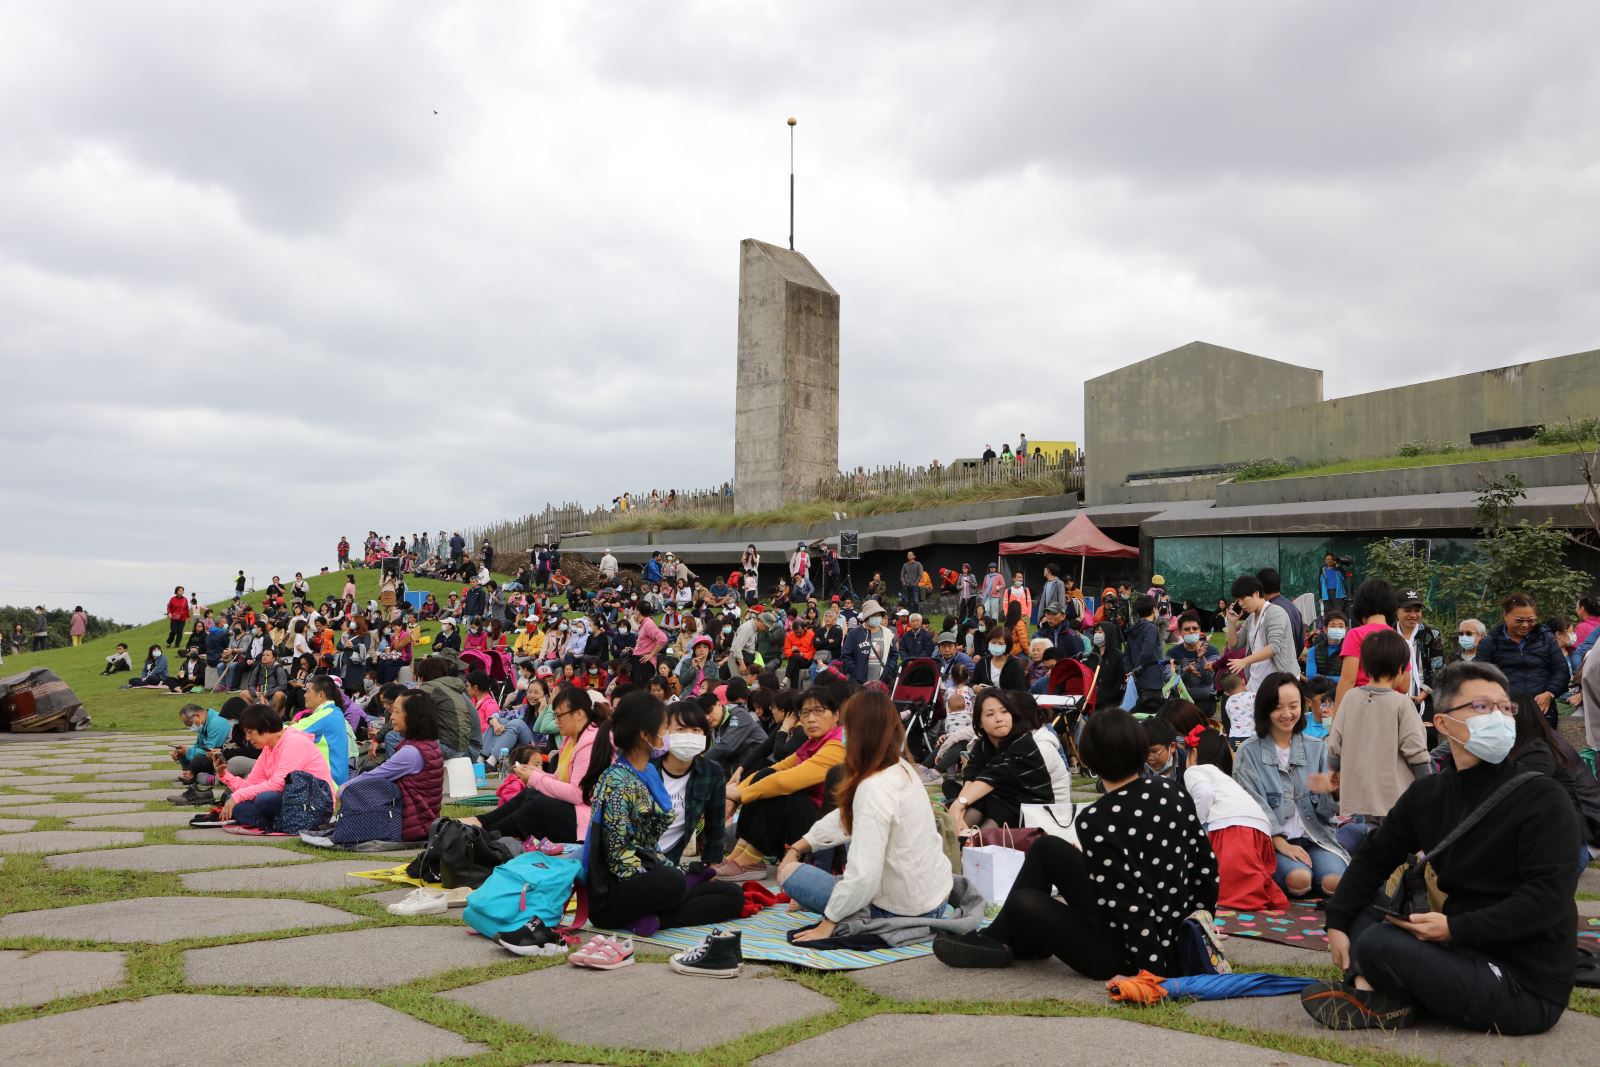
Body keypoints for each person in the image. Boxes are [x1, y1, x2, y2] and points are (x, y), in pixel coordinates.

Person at [1304, 661, 1578, 1035]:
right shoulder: (1430, 794)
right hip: (1462, 951)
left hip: (1523, 984)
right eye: (1482, 707)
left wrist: (1454, 929)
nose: (1498, 717)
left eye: (1504, 707)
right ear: (1444, 723)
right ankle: (1377, 989)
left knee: (1379, 942)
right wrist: (1336, 922)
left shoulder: (1544, 798)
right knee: (1361, 909)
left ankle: (1375, 990)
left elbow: (1548, 898)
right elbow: (1373, 858)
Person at [933, 707, 1217, 977]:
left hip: (1125, 953)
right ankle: (1007, 940)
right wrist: (1201, 928)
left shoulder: (1096, 818)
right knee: (1048, 847)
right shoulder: (1172, 791)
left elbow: (1124, 900)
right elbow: (1206, 866)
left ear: (1089, 759)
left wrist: (1151, 968)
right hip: (1176, 929)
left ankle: (1004, 939)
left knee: (1025, 902)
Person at [566, 691, 743, 950]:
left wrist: (684, 872)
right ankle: (648, 909)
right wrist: (669, 876)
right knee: (671, 882)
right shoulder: (618, 781)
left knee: (731, 895)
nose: (669, 737)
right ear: (646, 735)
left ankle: (655, 919)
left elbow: (650, 849)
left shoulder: (646, 771)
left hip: (648, 879)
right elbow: (619, 857)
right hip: (612, 894)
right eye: (665, 729)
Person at [779, 689, 954, 939]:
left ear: (861, 733)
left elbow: (865, 876)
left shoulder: (873, 787)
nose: (843, 736)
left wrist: (830, 922)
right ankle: (842, 895)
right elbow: (846, 817)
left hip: (903, 912)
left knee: (789, 875)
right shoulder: (901, 767)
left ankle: (845, 904)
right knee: (853, 849)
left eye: (846, 728)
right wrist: (799, 846)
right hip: (935, 899)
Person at [1233, 673, 1347, 898]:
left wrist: (1334, 792)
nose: (1287, 714)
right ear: (1265, 709)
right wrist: (1280, 843)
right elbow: (1253, 807)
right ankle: (1300, 875)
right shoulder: (1249, 752)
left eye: (1293, 706)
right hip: (1274, 843)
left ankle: (1317, 874)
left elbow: (1327, 812)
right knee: (1299, 880)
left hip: (1316, 837)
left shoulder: (1317, 748)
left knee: (1335, 883)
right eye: (1278, 708)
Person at [716, 684, 845, 879]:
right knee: (765, 775)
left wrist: (740, 795)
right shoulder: (813, 743)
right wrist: (735, 795)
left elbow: (788, 780)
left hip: (826, 834)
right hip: (806, 821)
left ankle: (752, 858)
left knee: (785, 792)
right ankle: (741, 852)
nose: (811, 718)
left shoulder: (838, 745)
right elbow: (776, 768)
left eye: (819, 711)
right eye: (805, 712)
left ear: (836, 715)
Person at [1324, 629, 1431, 852]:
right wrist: (1427, 789)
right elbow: (1417, 753)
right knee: (1395, 852)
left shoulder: (1351, 698)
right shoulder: (1402, 703)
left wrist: (1335, 772)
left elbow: (1334, 746)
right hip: (1394, 798)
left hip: (1357, 797)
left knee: (1367, 849)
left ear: (1365, 666)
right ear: (1401, 669)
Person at [462, 685, 601, 844]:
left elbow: (577, 793)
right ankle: (481, 822)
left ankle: (481, 836)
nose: (556, 721)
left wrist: (535, 777)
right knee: (530, 794)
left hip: (586, 821)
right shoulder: (572, 738)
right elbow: (559, 779)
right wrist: (536, 773)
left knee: (537, 805)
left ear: (579, 714)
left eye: (559, 716)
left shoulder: (589, 743)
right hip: (576, 810)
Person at [1184, 724, 1287, 910]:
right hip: (1261, 826)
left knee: (1231, 876)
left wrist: (1196, 822)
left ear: (1194, 754)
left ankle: (1245, 900)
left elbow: (1204, 794)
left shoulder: (1194, 771)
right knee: (1254, 870)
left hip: (1233, 825)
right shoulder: (1223, 777)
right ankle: (1270, 897)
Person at [337, 689, 442, 844]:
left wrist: (343, 789)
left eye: (397, 712)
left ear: (414, 716)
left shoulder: (411, 753)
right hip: (424, 823)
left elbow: (374, 776)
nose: (391, 717)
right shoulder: (429, 744)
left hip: (409, 828)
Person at [214, 702, 337, 830]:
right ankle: (273, 822)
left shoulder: (294, 742)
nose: (247, 738)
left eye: (250, 732)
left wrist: (237, 796)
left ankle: (271, 822)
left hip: (313, 804)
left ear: (265, 726)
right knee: (238, 806)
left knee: (264, 799)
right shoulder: (268, 749)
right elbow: (250, 785)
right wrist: (224, 775)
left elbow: (279, 783)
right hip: (289, 800)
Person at [947, 689, 1053, 830]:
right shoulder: (983, 745)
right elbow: (971, 778)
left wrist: (959, 804)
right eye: (990, 714)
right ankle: (960, 839)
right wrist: (959, 808)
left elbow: (989, 780)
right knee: (974, 800)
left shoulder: (1022, 742)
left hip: (1031, 809)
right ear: (979, 723)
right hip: (1001, 798)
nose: (999, 718)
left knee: (989, 805)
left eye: (1004, 712)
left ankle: (976, 842)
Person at [1475, 592, 1570, 726]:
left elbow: (1561, 669)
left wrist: (1550, 693)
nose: (1525, 625)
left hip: (1541, 706)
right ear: (1505, 616)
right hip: (1503, 709)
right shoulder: (1491, 642)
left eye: (1531, 620)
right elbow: (1479, 675)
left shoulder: (1546, 638)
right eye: (1519, 620)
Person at [653, 700, 727, 866]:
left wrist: (711, 867)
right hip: (635, 859)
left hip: (669, 863)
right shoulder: (646, 769)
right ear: (664, 732)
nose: (689, 736)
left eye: (696, 730)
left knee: (729, 892)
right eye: (680, 729)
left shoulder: (711, 772)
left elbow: (715, 824)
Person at [1332, 578, 1403, 712]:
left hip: (1360, 707)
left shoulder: (1355, 635)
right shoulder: (1398, 639)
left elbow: (1348, 681)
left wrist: (1336, 717)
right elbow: (1404, 686)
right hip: (1390, 708)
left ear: (1361, 607)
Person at [1226, 575, 1296, 694]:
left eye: (1243, 598)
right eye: (1238, 600)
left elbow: (1274, 647)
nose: (1241, 603)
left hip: (1279, 682)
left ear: (1256, 593)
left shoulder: (1275, 613)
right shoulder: (1251, 619)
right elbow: (1234, 646)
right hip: (1256, 681)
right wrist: (1232, 623)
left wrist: (1245, 661)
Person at [1394, 588, 1445, 725]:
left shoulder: (1432, 635)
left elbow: (1437, 670)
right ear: (1396, 611)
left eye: (1417, 610)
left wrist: (1420, 696)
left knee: (1428, 736)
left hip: (1425, 696)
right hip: (1392, 697)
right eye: (1407, 610)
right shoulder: (1388, 634)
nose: (1413, 615)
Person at [292, 677, 352, 787]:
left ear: (321, 695)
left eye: (308, 691)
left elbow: (286, 733)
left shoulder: (325, 715)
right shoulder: (333, 711)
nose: (304, 695)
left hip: (327, 786)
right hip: (332, 782)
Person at [1171, 611, 1220, 715]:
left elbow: (1209, 679)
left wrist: (1201, 659)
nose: (1192, 631)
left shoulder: (1212, 651)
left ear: (1200, 630)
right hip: (1180, 700)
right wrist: (1185, 670)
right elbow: (1169, 680)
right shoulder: (1172, 653)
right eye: (1187, 629)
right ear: (1180, 632)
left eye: (1195, 628)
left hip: (1204, 700)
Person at [841, 599, 898, 686]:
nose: (877, 617)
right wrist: (857, 673)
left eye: (879, 614)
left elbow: (894, 654)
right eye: (874, 615)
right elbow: (846, 656)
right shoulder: (854, 633)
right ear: (867, 616)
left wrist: (888, 671)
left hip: (882, 683)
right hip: (859, 684)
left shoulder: (888, 634)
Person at [1125, 595, 1165, 705]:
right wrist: (1135, 671)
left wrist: (1130, 671)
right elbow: (1146, 652)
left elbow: (1127, 654)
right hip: (1151, 682)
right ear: (1154, 609)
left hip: (1136, 683)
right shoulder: (1151, 627)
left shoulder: (1134, 628)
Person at [973, 626, 1028, 690]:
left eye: (1001, 643)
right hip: (985, 698)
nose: (996, 645)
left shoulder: (1015, 665)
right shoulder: (983, 661)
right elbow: (973, 682)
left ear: (1007, 646)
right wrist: (975, 687)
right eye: (993, 642)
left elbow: (1020, 690)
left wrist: (998, 693)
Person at [1305, 611, 1347, 680]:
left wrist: (1320, 678)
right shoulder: (1313, 651)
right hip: (1319, 690)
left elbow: (1350, 678)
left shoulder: (1349, 651)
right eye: (1333, 626)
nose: (1337, 629)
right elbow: (1310, 676)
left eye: (1341, 626)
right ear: (1325, 629)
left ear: (1345, 630)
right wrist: (1338, 679)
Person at [1320, 552, 1350, 618]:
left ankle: (1339, 626)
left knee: (1338, 612)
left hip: (1337, 593)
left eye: (1331, 559)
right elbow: (1319, 583)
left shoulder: (1338, 569)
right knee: (1328, 612)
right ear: (1325, 561)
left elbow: (1344, 577)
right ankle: (1330, 626)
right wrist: (1320, 597)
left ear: (1334, 560)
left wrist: (1338, 567)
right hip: (1326, 593)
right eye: (1327, 559)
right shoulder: (1322, 570)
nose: (1329, 561)